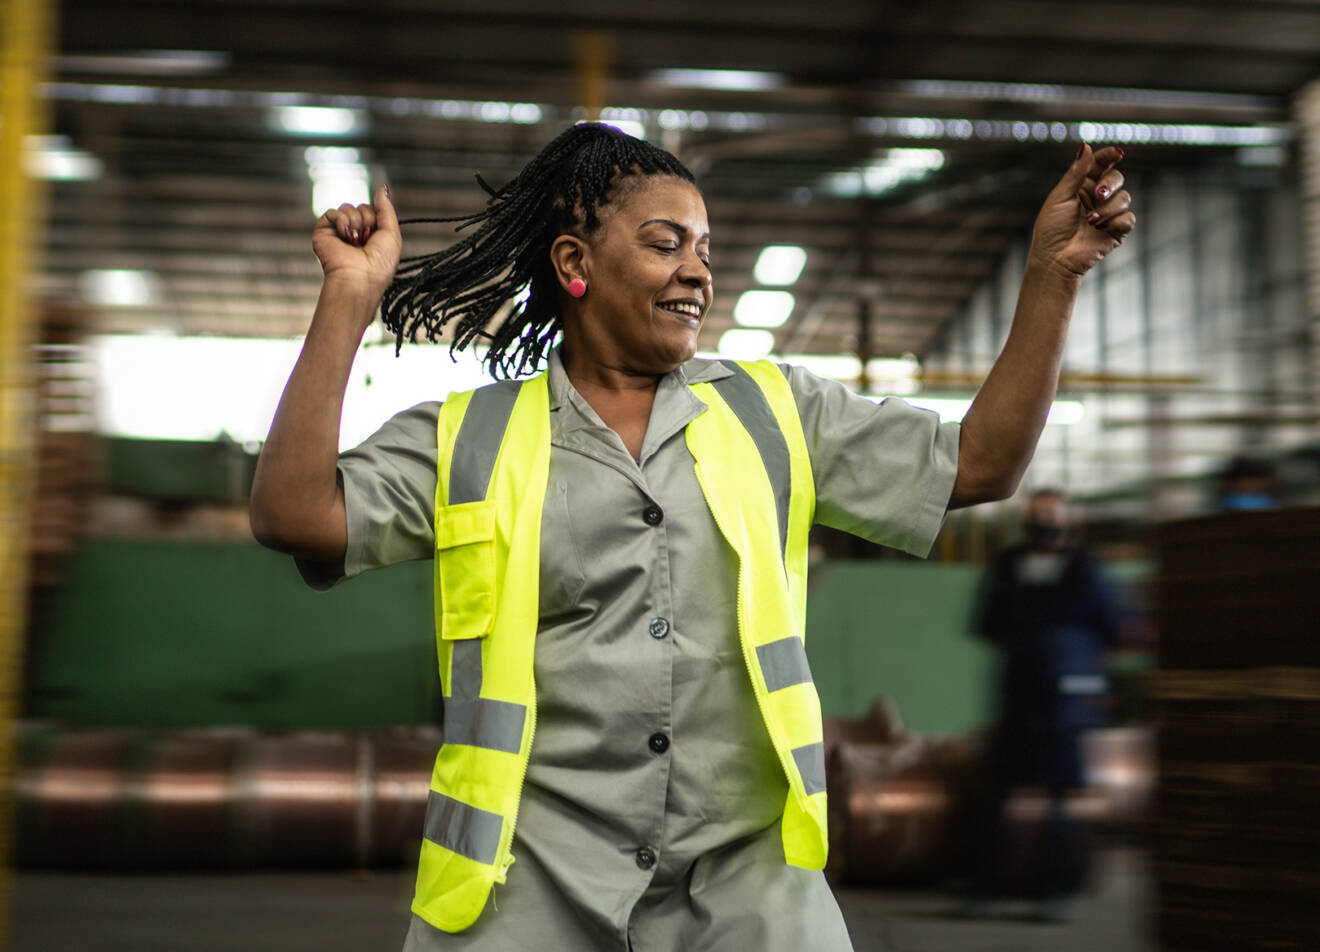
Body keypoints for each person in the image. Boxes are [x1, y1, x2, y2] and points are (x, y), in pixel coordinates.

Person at [249, 123, 1134, 950]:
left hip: (748, 886)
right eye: (666, 243)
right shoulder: (467, 439)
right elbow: (294, 515)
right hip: (528, 883)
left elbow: (979, 464)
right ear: (575, 262)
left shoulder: (775, 410)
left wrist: (1053, 274)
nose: (698, 273)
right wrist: (349, 298)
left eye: (705, 251)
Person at [963, 489, 1122, 922]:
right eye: (1038, 515)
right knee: (999, 791)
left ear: (1068, 522)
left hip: (1067, 700)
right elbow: (986, 622)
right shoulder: (1008, 566)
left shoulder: (1086, 570)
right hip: (1018, 694)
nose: (1045, 522)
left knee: (1061, 797)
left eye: (1053, 516)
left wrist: (1081, 668)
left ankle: (1057, 891)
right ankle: (988, 888)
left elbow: (1113, 627)